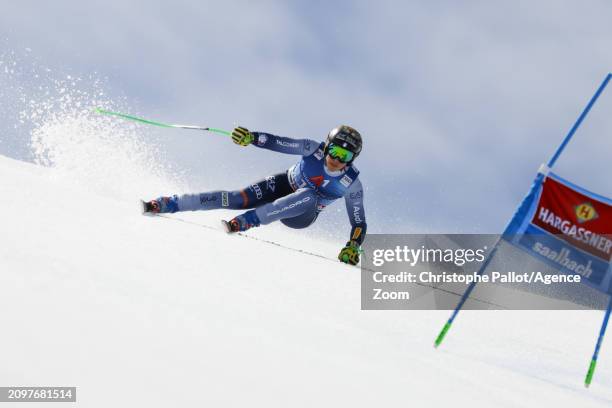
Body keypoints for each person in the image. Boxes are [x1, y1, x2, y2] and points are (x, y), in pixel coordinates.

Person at [143, 125, 367, 265]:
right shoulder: (311, 149)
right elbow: (279, 143)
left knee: (309, 195)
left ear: (352, 159)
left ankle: (247, 221)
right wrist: (251, 137)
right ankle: (166, 204)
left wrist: (353, 246)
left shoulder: (351, 184)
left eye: (345, 155)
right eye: (335, 151)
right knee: (235, 198)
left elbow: (358, 221)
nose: (337, 159)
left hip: (302, 214)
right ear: (326, 146)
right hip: (283, 185)